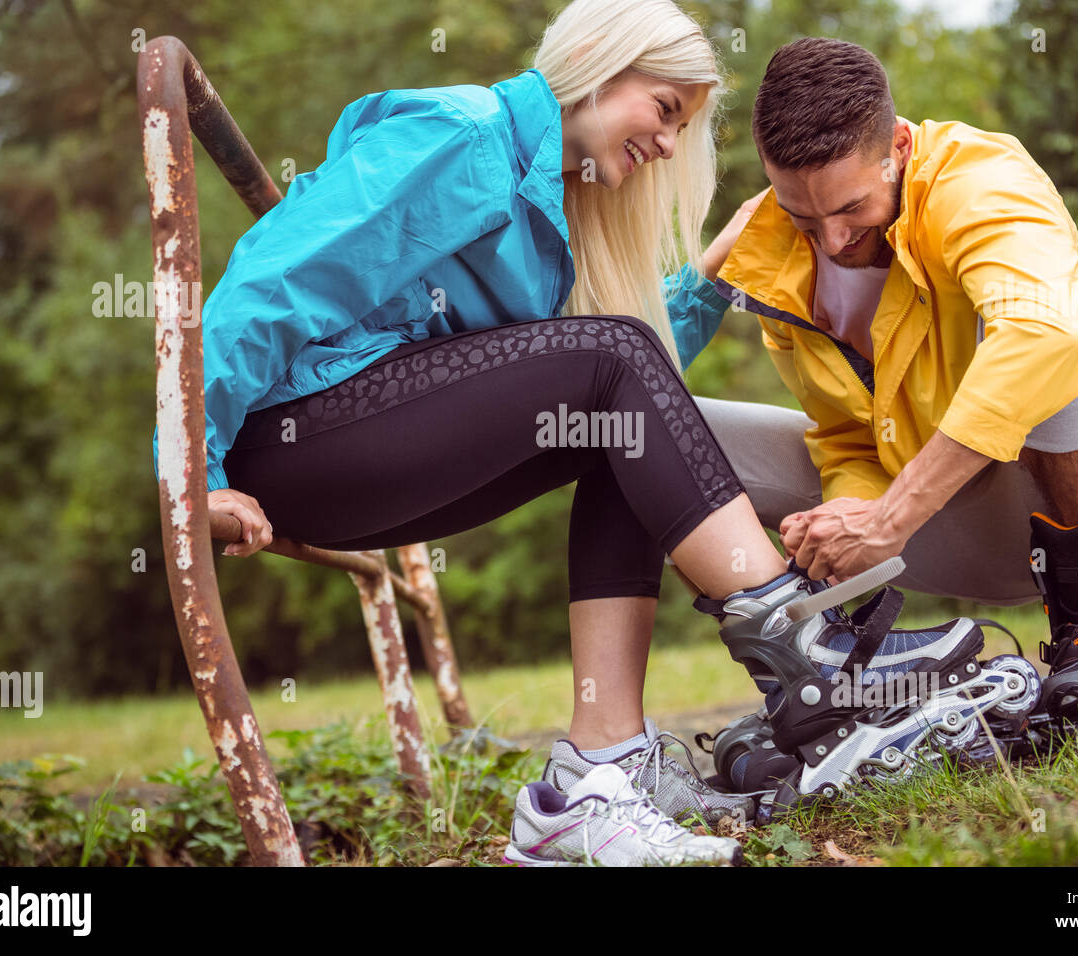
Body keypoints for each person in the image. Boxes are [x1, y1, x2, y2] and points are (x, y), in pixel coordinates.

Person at [150, 0, 873, 865]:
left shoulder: (554, 209)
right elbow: (271, 284)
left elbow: (628, 379)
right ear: (603, 69)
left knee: (625, 425)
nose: (671, 145)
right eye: (667, 111)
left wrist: (710, 277)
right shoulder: (462, 136)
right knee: (615, 371)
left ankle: (596, 778)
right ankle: (809, 653)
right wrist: (195, 468)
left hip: (366, 448)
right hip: (292, 440)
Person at [698, 37, 1078, 745]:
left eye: (852, 208)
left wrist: (891, 517)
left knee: (1055, 323)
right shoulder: (778, 258)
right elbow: (845, 435)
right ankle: (817, 679)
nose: (831, 241)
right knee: (663, 428)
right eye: (805, 218)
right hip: (959, 522)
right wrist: (849, 509)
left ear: (896, 146)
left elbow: (1044, 335)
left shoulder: (980, 176)